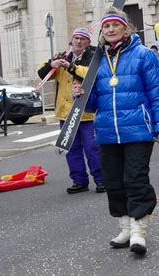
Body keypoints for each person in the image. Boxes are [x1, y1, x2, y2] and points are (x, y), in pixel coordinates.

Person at [73, 9, 159, 255]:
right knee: (113, 182)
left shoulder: (143, 56)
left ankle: (139, 232)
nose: (109, 30)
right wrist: (82, 96)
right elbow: (95, 102)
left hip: (138, 129)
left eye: (114, 25)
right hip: (107, 132)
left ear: (125, 28)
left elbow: (157, 93)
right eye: (105, 27)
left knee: (135, 179)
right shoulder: (97, 61)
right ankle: (125, 228)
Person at [38, 28, 105, 194]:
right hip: (66, 113)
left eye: (83, 39)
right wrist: (51, 64)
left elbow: (92, 75)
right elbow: (42, 74)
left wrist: (71, 66)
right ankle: (79, 181)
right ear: (71, 40)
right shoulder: (63, 55)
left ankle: (101, 180)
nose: (79, 41)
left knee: (92, 148)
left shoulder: (93, 56)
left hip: (86, 112)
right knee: (71, 149)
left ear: (88, 43)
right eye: (76, 38)